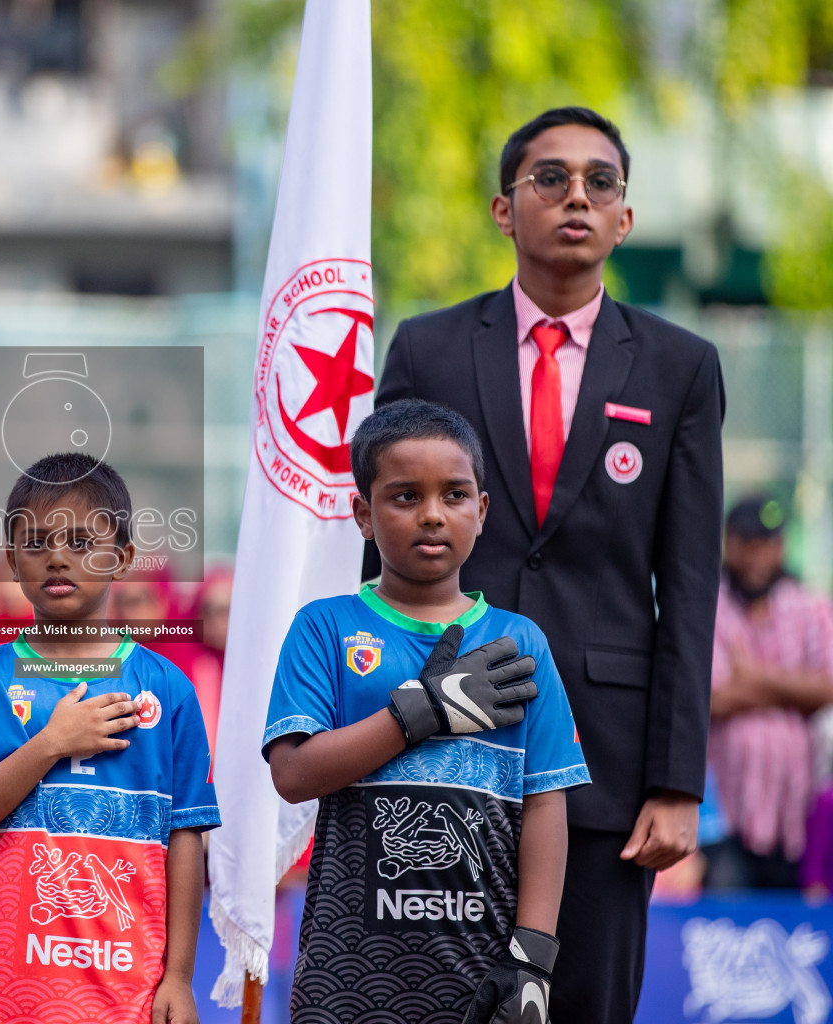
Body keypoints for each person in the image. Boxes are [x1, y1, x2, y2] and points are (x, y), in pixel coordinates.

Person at [371, 106, 724, 1023]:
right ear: (504, 207)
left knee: (584, 1006)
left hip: (602, 768)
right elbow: (377, 553)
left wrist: (677, 782)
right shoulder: (429, 349)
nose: (576, 196)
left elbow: (688, 585)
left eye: (599, 181)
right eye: (550, 177)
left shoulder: (681, 369)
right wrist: (378, 721)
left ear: (624, 219)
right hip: (440, 742)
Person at [269, 401, 589, 1023]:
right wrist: (422, 710)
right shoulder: (324, 628)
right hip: (348, 966)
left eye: (454, 495)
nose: (433, 515)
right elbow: (292, 775)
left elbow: (547, 801)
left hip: (484, 968)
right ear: (363, 514)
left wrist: (533, 962)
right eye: (405, 496)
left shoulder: (520, 644)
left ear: (482, 510)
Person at [0, 452, 220, 1024]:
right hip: (6, 984)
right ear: (12, 561)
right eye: (36, 543)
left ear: (123, 557)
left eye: (83, 543)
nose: (58, 557)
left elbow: (186, 837)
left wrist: (180, 976)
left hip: (130, 985)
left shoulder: (167, 687)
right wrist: (51, 743)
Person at [705, 495, 833, 889]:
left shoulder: (809, 608)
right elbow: (714, 698)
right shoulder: (710, 605)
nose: (756, 556)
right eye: (747, 543)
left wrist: (755, 675)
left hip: (795, 814)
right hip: (726, 817)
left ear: (780, 547)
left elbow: (828, 686)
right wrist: (795, 689)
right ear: (730, 542)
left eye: (766, 544)